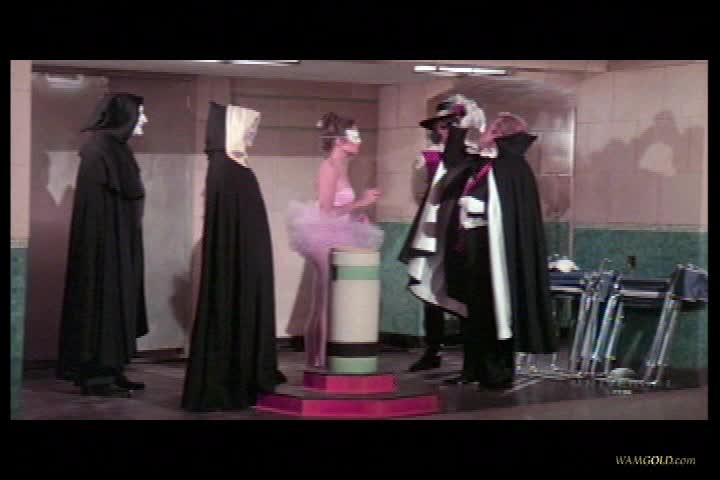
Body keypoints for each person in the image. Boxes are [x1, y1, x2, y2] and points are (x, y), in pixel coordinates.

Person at [440, 112, 558, 389]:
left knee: (495, 308)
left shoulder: (511, 167)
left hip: (494, 249)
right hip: (473, 244)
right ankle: (473, 368)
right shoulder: (485, 163)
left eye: (489, 129)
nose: (483, 133)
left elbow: (506, 207)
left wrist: (479, 206)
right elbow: (454, 164)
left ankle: (497, 371)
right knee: (473, 309)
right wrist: (459, 128)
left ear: (497, 134)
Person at [182, 102, 286, 412]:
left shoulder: (233, 167)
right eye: (247, 129)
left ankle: (249, 373)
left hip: (247, 258)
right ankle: (232, 381)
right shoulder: (226, 170)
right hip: (238, 262)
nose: (251, 135)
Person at [56, 93, 149, 395]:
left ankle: (113, 367)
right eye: (140, 113)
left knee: (120, 301)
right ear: (124, 116)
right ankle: (96, 375)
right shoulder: (98, 150)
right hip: (104, 248)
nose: (145, 119)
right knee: (102, 303)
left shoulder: (116, 149)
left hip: (120, 242)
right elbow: (97, 209)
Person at [287, 112, 384, 369]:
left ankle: (319, 358)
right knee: (326, 300)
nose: (359, 140)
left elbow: (341, 208)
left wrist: (357, 215)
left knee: (327, 299)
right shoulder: (329, 167)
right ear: (340, 140)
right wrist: (361, 202)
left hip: (339, 234)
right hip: (324, 237)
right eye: (355, 135)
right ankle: (320, 360)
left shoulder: (341, 166)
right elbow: (326, 211)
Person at [404, 100, 463, 372]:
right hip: (436, 231)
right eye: (443, 126)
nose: (447, 130)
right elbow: (419, 194)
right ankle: (433, 348)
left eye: (452, 124)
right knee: (431, 286)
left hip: (463, 232)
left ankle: (470, 352)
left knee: (462, 288)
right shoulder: (427, 158)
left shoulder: (472, 156)